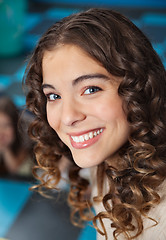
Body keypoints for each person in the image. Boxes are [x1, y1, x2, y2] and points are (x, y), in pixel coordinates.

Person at [24, 8, 166, 240]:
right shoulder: (103, 164)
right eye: (54, 96)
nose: (68, 117)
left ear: (139, 90)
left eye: (91, 89)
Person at [0, 96, 34, 178]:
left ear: (14, 126)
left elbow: (15, 170)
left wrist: (5, 149)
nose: (1, 131)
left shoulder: (26, 134)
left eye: (6, 126)